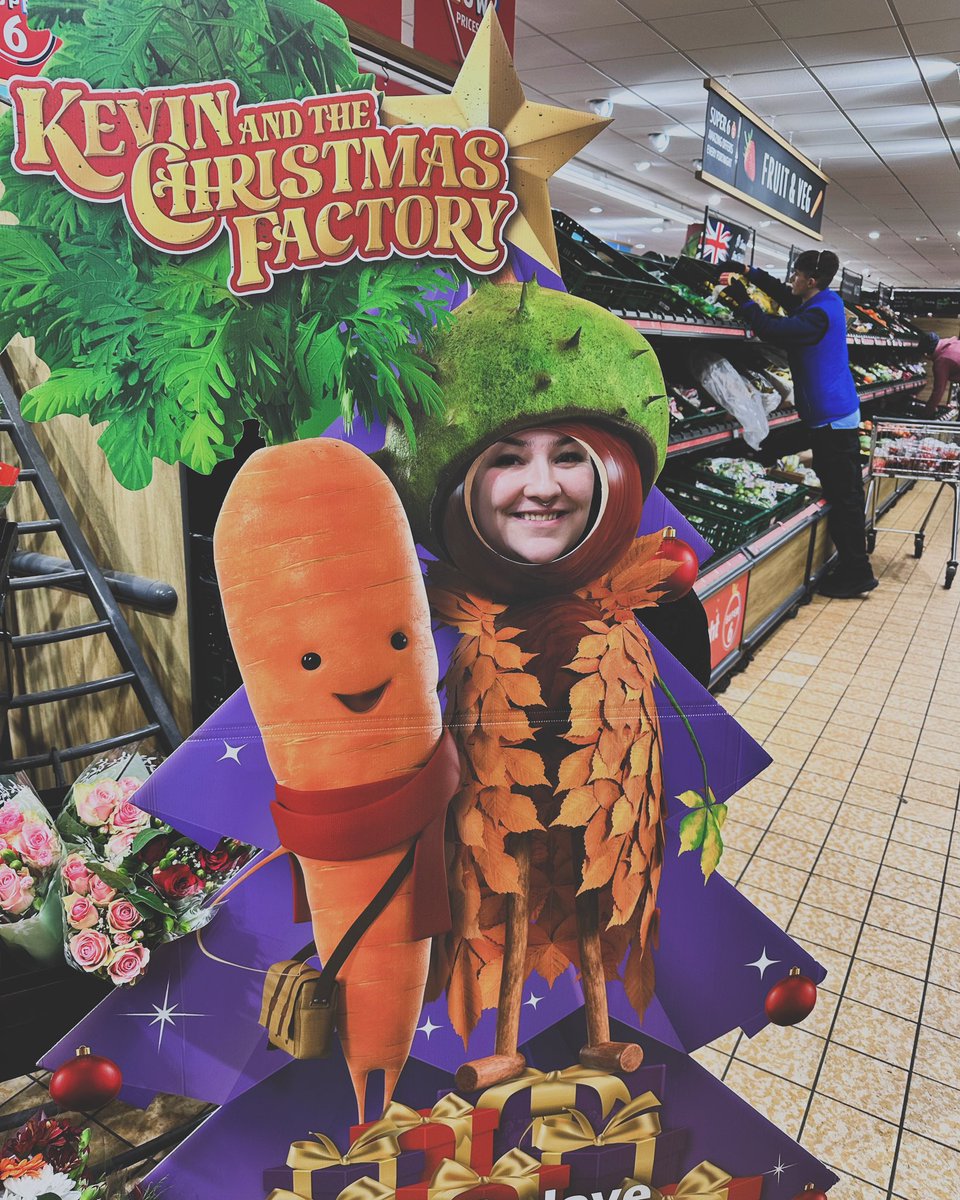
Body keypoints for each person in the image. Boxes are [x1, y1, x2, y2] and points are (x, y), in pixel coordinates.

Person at [721, 250, 878, 599]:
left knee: (844, 496)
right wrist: (750, 272)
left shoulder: (818, 316)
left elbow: (773, 329)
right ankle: (855, 561)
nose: (791, 279)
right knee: (847, 491)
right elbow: (784, 294)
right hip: (836, 413)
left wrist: (744, 300)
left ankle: (857, 572)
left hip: (831, 420)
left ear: (810, 280)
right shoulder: (826, 301)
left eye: (796, 274)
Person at [920, 330, 960, 418]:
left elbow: (938, 391)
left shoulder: (941, 361)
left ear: (926, 354)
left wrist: (926, 414)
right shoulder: (951, 342)